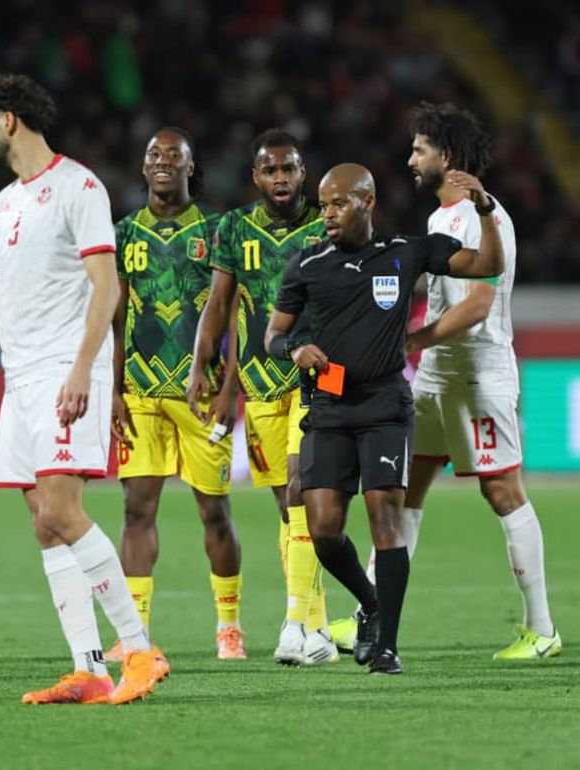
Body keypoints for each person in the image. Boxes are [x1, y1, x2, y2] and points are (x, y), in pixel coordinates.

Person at [0, 74, 167, 705]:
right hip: (20, 377)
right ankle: (88, 669)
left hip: (68, 366)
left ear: (9, 120)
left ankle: (140, 651)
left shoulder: (78, 186)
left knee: (64, 510)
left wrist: (83, 368)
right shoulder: (2, 205)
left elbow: (106, 287)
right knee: (43, 523)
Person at [331, 104, 562, 660]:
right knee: (402, 490)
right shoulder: (440, 220)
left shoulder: (487, 217)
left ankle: (542, 629)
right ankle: (372, 612)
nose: (410, 160)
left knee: (502, 490)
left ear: (447, 157)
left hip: (478, 374)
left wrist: (411, 340)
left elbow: (480, 302)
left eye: (419, 150)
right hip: (438, 377)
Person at [265, 162, 504, 674]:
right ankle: (372, 604)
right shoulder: (307, 264)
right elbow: (273, 335)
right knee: (324, 529)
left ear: (367, 202)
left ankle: (388, 646)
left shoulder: (408, 251)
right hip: (327, 407)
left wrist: (485, 210)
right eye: (324, 204)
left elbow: (488, 264)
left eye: (338, 203)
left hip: (385, 410)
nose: (327, 214)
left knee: (385, 522)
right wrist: (294, 348)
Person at [188, 129, 337, 666]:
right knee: (286, 504)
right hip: (258, 381)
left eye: (290, 169)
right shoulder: (234, 228)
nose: (281, 178)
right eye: (270, 170)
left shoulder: (328, 224)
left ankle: (296, 621)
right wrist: (206, 368)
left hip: (316, 379)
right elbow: (220, 303)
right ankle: (316, 630)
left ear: (303, 173)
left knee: (302, 489)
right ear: (256, 177)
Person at [110, 127, 245, 660]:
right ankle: (134, 635)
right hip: (142, 394)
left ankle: (228, 626)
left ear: (191, 168)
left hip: (201, 395)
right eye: (153, 155)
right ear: (143, 168)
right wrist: (115, 388)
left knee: (214, 513)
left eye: (174, 155)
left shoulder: (217, 230)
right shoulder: (123, 233)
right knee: (135, 510)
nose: (162, 161)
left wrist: (229, 388)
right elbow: (115, 316)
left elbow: (236, 315)